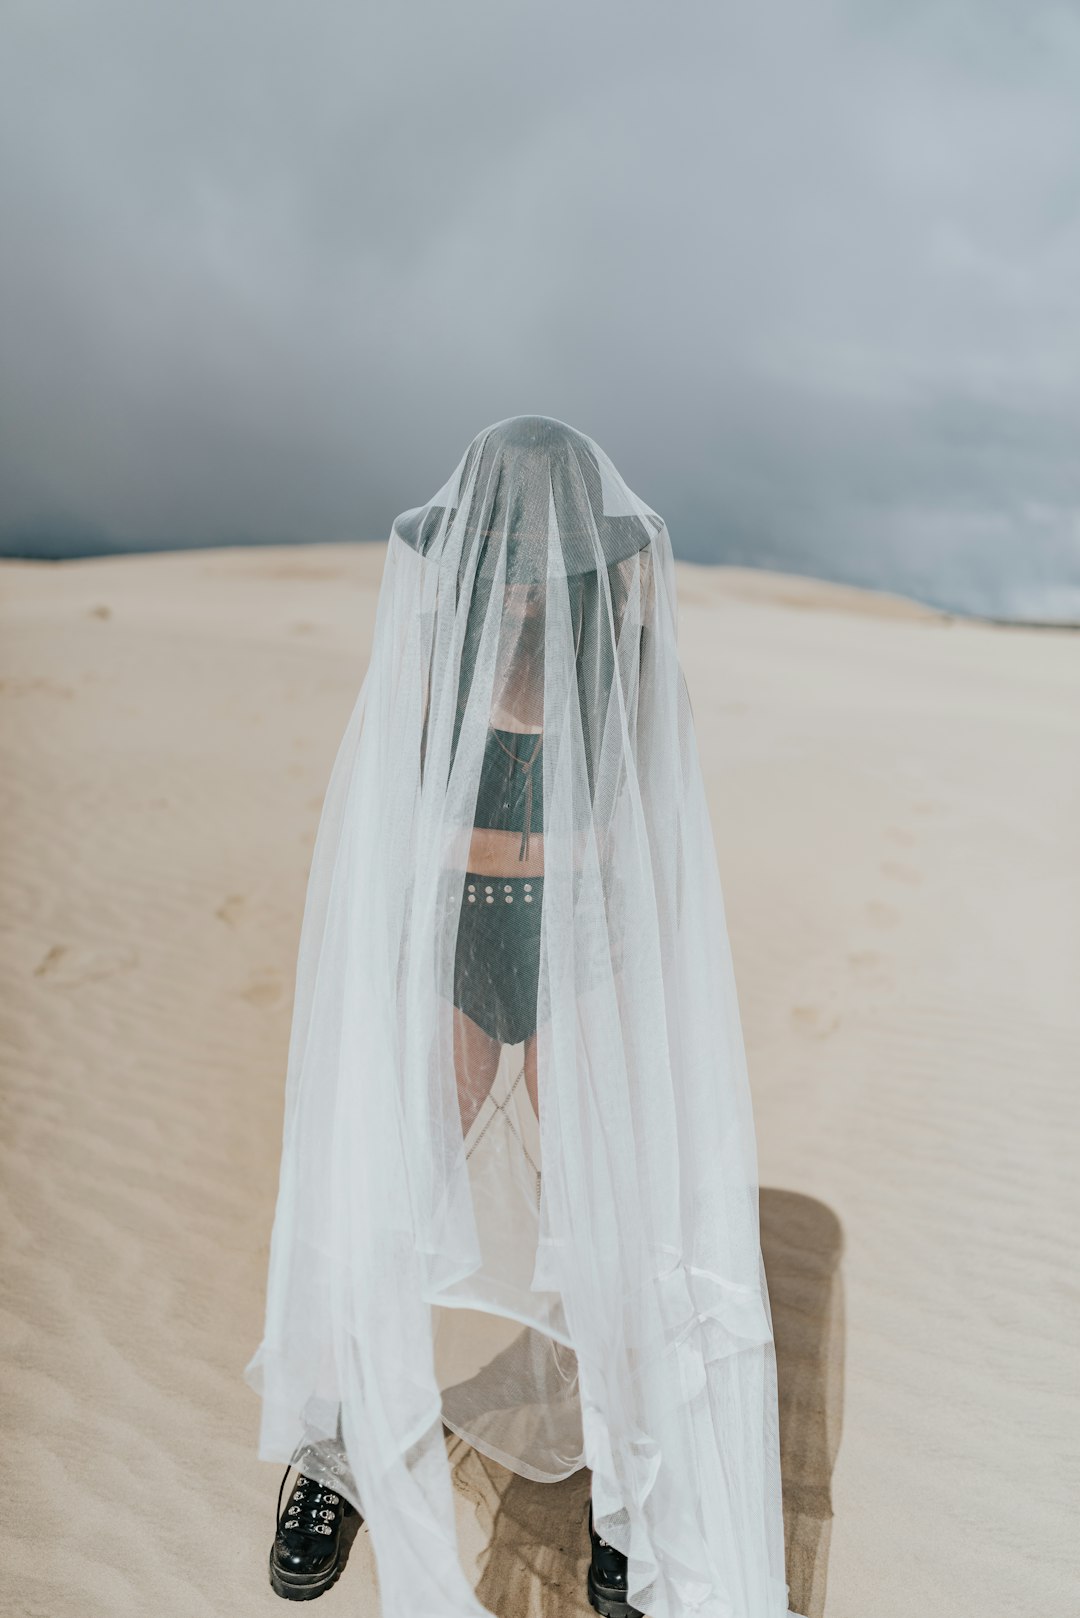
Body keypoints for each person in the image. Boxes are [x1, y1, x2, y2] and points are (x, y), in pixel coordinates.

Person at [244, 416, 804, 1618]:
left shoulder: (627, 654)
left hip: (576, 951)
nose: (525, 566)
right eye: (508, 542)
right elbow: (387, 834)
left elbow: (659, 847)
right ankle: (334, 1452)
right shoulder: (437, 646)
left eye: (544, 544)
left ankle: (632, 1498)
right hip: (454, 947)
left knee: (606, 1215)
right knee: (391, 1194)